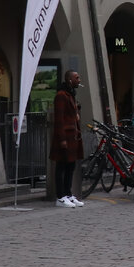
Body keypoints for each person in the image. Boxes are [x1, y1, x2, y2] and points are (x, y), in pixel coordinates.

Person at [51, 70, 85, 208]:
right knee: (61, 166)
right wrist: (62, 139)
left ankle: (68, 193)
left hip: (73, 136)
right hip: (65, 136)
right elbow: (59, 119)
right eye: (77, 78)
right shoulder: (61, 96)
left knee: (71, 166)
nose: (79, 80)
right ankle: (60, 196)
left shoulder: (70, 95)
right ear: (70, 80)